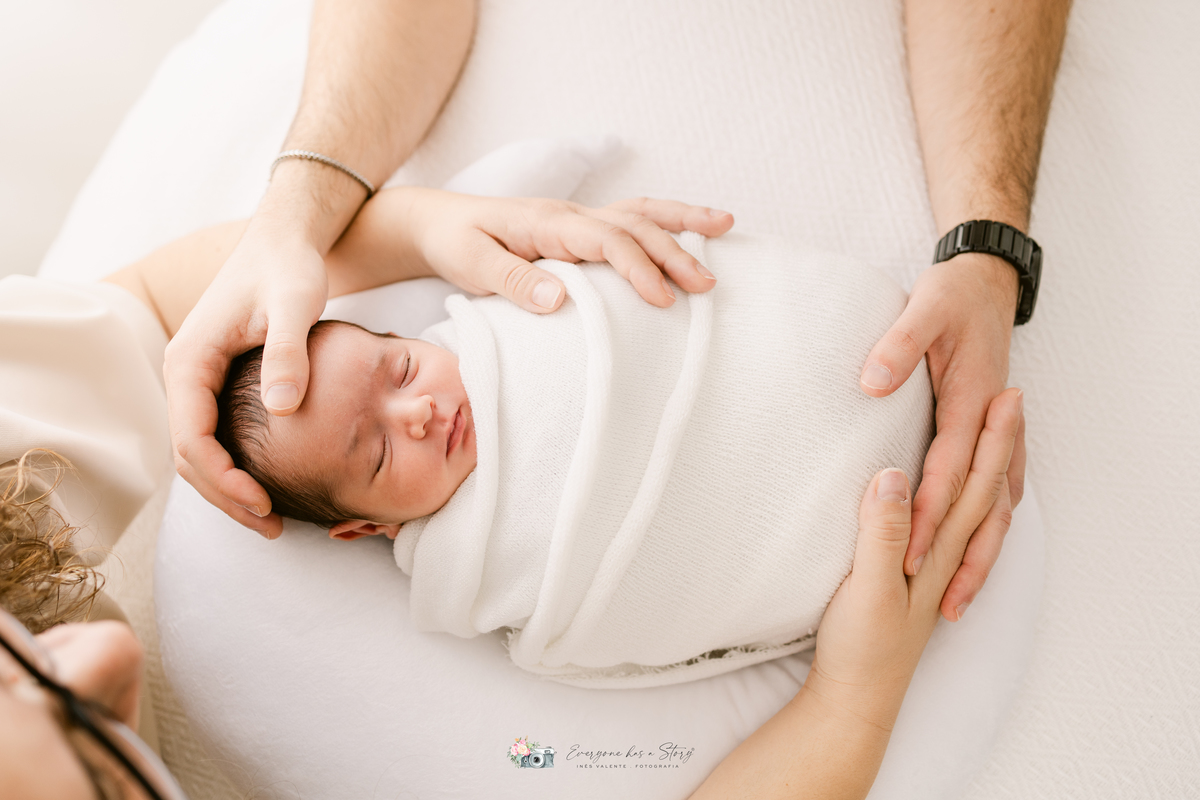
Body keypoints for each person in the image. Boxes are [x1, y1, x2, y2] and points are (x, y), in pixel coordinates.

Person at [166, 0, 1071, 626]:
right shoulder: (473, 571)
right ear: (370, 527)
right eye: (375, 452)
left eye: (401, 370)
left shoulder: (503, 327)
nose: (420, 411)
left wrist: (989, 248)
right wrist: (294, 218)